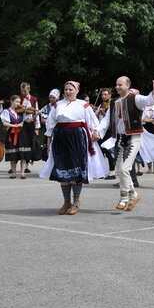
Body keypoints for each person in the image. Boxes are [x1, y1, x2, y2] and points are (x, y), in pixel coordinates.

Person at [40, 81, 108, 215]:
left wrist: (96, 132)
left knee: (76, 170)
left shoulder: (83, 104)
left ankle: (76, 201)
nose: (68, 92)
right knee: (62, 169)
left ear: (76, 90)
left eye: (70, 89)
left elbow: (93, 121)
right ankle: (66, 202)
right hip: (60, 137)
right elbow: (51, 123)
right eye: (66, 89)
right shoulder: (57, 105)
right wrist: (49, 141)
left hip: (77, 137)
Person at [95, 77, 154, 210]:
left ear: (128, 86)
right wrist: (98, 131)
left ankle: (124, 198)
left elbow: (149, 101)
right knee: (119, 170)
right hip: (119, 139)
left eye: (120, 84)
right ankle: (134, 195)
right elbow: (107, 120)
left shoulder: (135, 98)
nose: (117, 86)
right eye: (116, 84)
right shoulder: (113, 102)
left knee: (124, 169)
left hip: (133, 138)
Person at [1, 95, 34, 178]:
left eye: (19, 102)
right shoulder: (6, 111)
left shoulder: (21, 111)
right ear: (12, 101)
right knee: (13, 154)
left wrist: (34, 115)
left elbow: (28, 120)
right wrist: (15, 126)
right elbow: (5, 123)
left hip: (21, 133)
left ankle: (22, 173)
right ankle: (13, 173)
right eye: (16, 102)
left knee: (23, 153)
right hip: (12, 133)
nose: (18, 104)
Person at [93, 88, 116, 179]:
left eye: (106, 94)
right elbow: (96, 116)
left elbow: (111, 117)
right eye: (102, 95)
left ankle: (112, 172)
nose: (103, 96)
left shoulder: (112, 105)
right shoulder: (101, 105)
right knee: (100, 151)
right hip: (101, 131)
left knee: (108, 151)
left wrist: (103, 111)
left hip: (109, 131)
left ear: (110, 95)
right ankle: (101, 171)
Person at [19, 82, 40, 173]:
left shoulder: (34, 99)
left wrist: (37, 127)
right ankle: (15, 164)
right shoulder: (18, 98)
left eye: (25, 91)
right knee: (20, 144)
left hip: (31, 124)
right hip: (20, 123)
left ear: (28, 89)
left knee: (29, 144)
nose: (23, 93)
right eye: (22, 91)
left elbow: (36, 113)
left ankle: (26, 166)